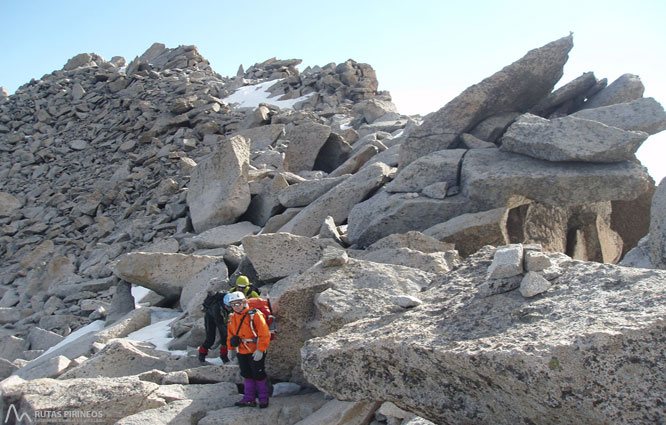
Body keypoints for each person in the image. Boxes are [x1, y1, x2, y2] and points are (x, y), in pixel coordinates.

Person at [226, 291, 271, 408]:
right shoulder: (232, 318)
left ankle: (263, 398)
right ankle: (249, 398)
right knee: (246, 374)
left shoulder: (254, 315)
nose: (236, 307)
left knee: (259, 374)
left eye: (238, 303)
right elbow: (230, 335)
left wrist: (261, 349)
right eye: (233, 304)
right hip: (241, 350)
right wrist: (230, 349)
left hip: (255, 350)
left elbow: (264, 333)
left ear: (244, 302)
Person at [198, 283, 231, 364]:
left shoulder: (231, 305)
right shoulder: (217, 308)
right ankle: (202, 354)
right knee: (210, 339)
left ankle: (224, 356)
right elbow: (220, 324)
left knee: (225, 339)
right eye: (229, 306)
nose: (231, 308)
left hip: (220, 317)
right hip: (210, 317)